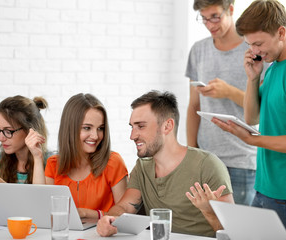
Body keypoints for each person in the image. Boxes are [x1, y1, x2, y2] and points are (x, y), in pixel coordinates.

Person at [210, 0, 286, 239]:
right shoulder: (274, 66)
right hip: (266, 186)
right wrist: (253, 78)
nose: (254, 51)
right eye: (250, 44)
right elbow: (252, 117)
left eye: (258, 43)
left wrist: (254, 141)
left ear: (281, 32)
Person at [97, 90, 234, 237]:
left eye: (141, 126)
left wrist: (209, 212)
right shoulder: (142, 167)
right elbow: (125, 206)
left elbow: (233, 232)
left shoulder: (207, 165)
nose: (132, 136)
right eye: (132, 127)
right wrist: (110, 219)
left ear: (167, 126)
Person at [186, 0, 268, 205]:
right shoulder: (198, 50)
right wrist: (192, 153)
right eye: (204, 19)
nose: (210, 25)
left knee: (239, 232)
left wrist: (228, 92)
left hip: (242, 160)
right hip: (207, 160)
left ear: (230, 10)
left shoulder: (254, 50)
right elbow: (194, 106)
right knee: (209, 231)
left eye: (215, 17)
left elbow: (264, 108)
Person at [45, 93, 128, 220]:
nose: (95, 136)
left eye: (100, 128)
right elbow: (45, 213)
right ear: (70, 129)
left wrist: (86, 213)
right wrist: (36, 156)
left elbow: (125, 216)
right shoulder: (53, 164)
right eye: (87, 128)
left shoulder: (113, 162)